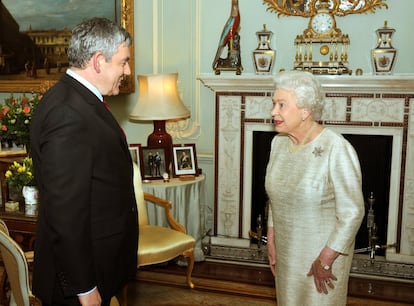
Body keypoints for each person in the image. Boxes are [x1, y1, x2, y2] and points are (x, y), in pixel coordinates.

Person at [30, 17, 138, 306]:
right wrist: (84, 288)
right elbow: (65, 213)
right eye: (123, 62)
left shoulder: (78, 100)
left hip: (97, 264)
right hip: (78, 283)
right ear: (99, 61)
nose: (127, 71)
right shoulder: (68, 113)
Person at [265, 70, 365, 306]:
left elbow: (353, 213)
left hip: (322, 257)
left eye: (281, 104)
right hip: (287, 254)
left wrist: (326, 259)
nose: (273, 112)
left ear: (305, 110)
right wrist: (271, 238)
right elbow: (276, 194)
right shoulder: (278, 144)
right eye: (273, 104)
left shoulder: (335, 148)